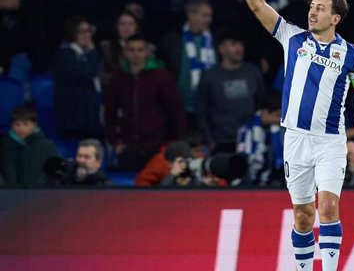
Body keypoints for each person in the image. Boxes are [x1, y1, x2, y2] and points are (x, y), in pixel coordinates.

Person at [232, 0, 354, 271]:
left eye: (320, 8)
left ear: (335, 18)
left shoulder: (352, 55)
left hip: (330, 141)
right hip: (295, 139)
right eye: (311, 6)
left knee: (328, 206)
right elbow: (258, 6)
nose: (312, 11)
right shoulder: (292, 38)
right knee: (303, 215)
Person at [104, 34, 187, 171]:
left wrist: (173, 141)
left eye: (140, 50)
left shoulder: (162, 76)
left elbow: (175, 110)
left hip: (157, 147)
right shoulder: (118, 77)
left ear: (147, 52)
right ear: (125, 52)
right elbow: (109, 112)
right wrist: (115, 142)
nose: (136, 54)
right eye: (131, 50)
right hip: (128, 146)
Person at [196, 31, 265, 154]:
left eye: (240, 44)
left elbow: (261, 102)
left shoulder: (252, 71)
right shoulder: (210, 76)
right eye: (233, 44)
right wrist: (210, 141)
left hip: (251, 138)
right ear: (221, 48)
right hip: (221, 141)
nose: (239, 48)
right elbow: (201, 111)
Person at [51, 16, 102, 140]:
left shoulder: (88, 55)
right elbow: (86, 74)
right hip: (73, 119)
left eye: (88, 31)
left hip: (90, 118)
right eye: (81, 31)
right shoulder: (64, 55)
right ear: (72, 33)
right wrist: (92, 51)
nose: (86, 35)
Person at [0, 103, 59, 187]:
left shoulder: (47, 146)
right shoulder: (5, 146)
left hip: (41, 195)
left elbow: (54, 173)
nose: (21, 128)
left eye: (25, 124)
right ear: (12, 126)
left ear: (34, 125)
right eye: (17, 124)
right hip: (10, 195)